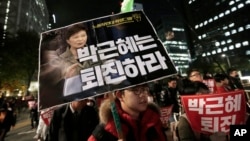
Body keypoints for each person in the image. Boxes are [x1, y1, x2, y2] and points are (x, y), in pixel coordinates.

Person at [88, 84, 167, 141]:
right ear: (119, 95)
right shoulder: (106, 130)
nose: (143, 95)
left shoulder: (154, 120)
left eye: (144, 89)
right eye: (136, 90)